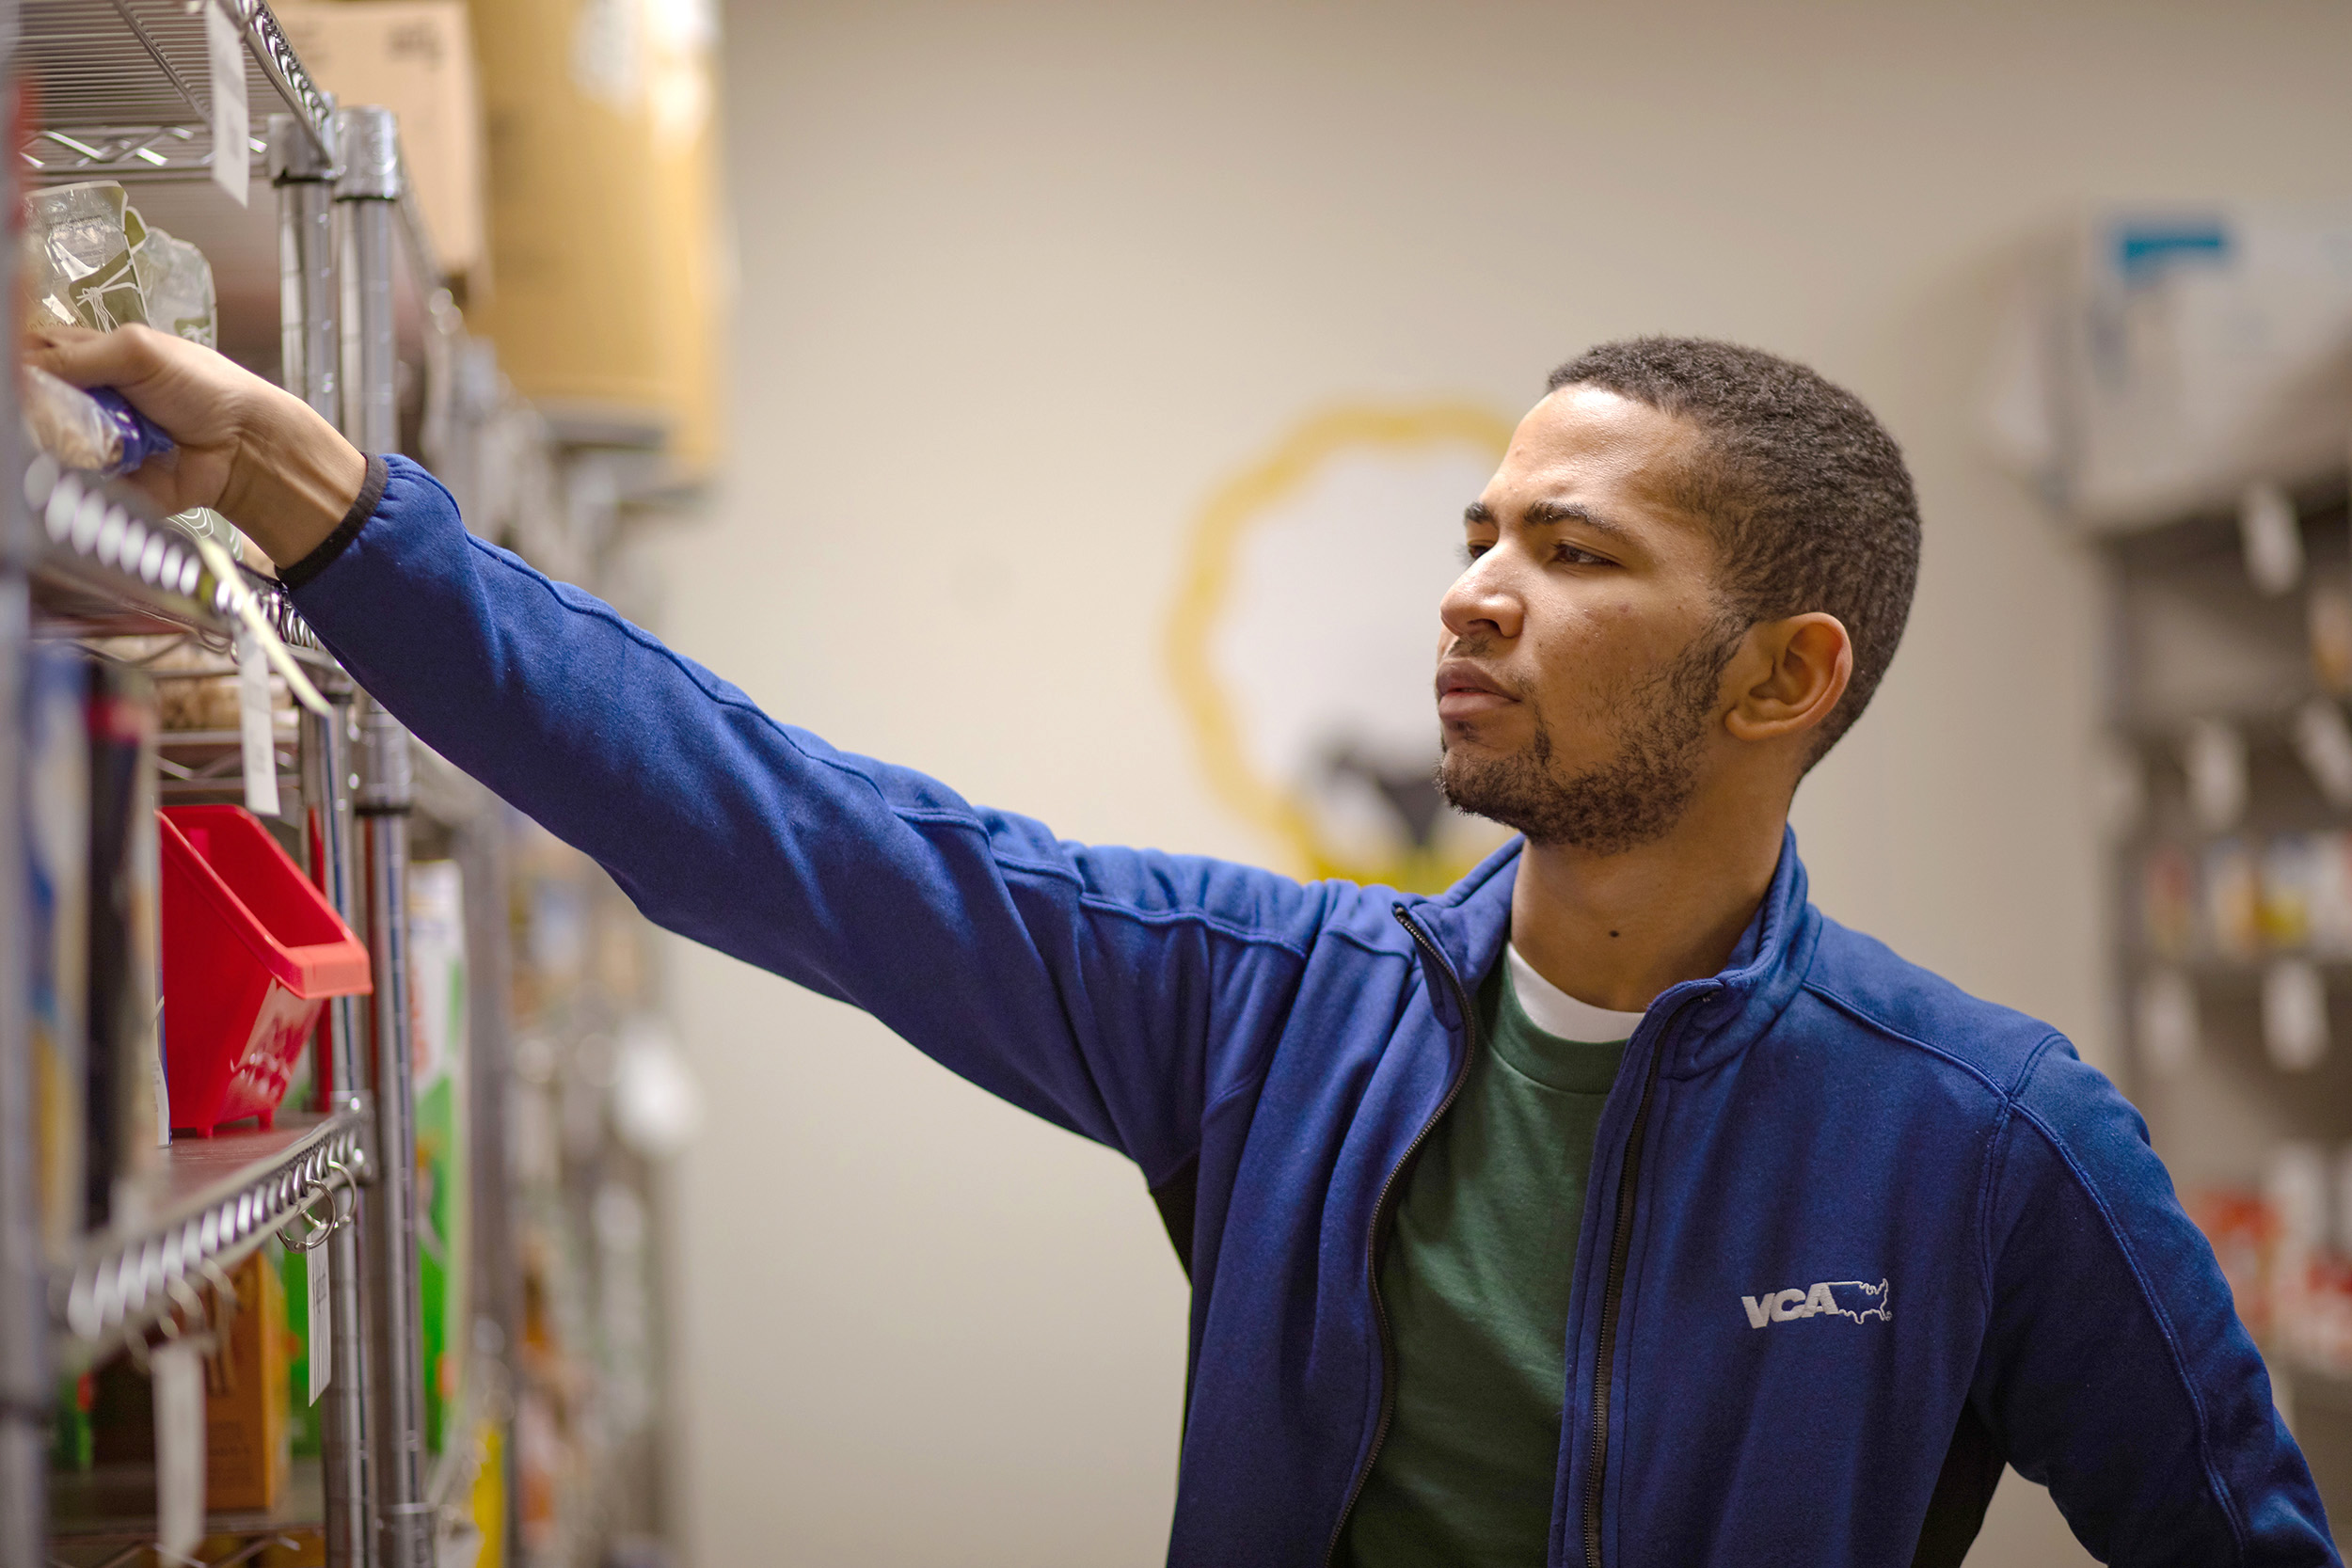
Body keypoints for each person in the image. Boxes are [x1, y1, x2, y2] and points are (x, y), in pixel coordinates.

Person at [32, 325, 2338, 1567]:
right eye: (1473, 530)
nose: (1471, 589)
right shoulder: (1267, 1013)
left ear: (1779, 680)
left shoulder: (1990, 1142)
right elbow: (785, 834)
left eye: (1571, 549)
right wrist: (327, 508)